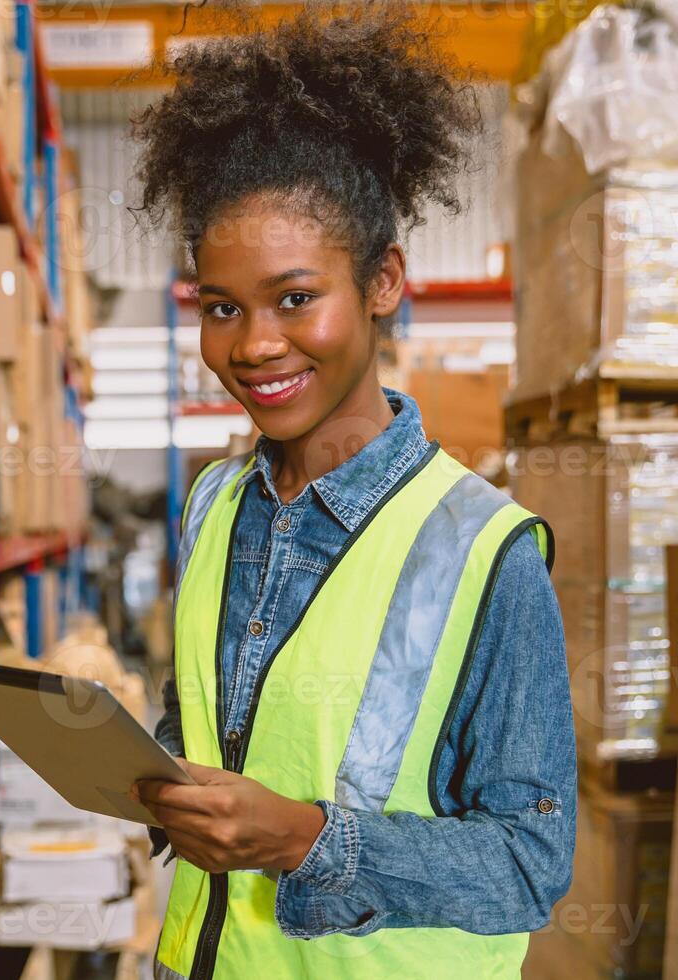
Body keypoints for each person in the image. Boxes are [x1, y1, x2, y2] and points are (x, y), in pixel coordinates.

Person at [125, 6, 576, 978]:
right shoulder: (214, 503)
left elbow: (529, 863)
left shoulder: (481, 550)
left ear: (383, 282)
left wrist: (302, 838)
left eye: (296, 297)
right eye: (220, 307)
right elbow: (209, 713)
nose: (252, 344)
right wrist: (150, 770)